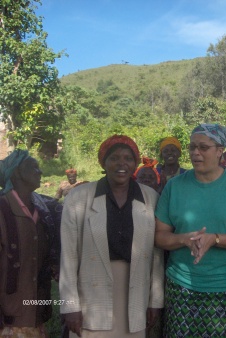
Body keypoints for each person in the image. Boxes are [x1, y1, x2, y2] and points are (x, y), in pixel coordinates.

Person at [155, 123, 226, 337]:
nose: (196, 152)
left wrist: (215, 239)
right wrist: (184, 239)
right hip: (182, 286)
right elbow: (160, 236)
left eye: (203, 147)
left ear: (220, 150)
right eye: (192, 147)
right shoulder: (174, 186)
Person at [59, 135, 164, 338]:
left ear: (135, 163)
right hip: (92, 291)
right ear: (103, 162)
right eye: (114, 158)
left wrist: (155, 301)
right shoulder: (78, 198)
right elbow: (69, 256)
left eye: (128, 158)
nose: (121, 164)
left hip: (136, 292)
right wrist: (70, 305)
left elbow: (157, 254)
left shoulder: (151, 198)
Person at [0, 150, 61, 338]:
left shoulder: (43, 212)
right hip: (8, 321)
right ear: (17, 172)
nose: (40, 172)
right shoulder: (3, 210)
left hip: (35, 317)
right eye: (34, 167)